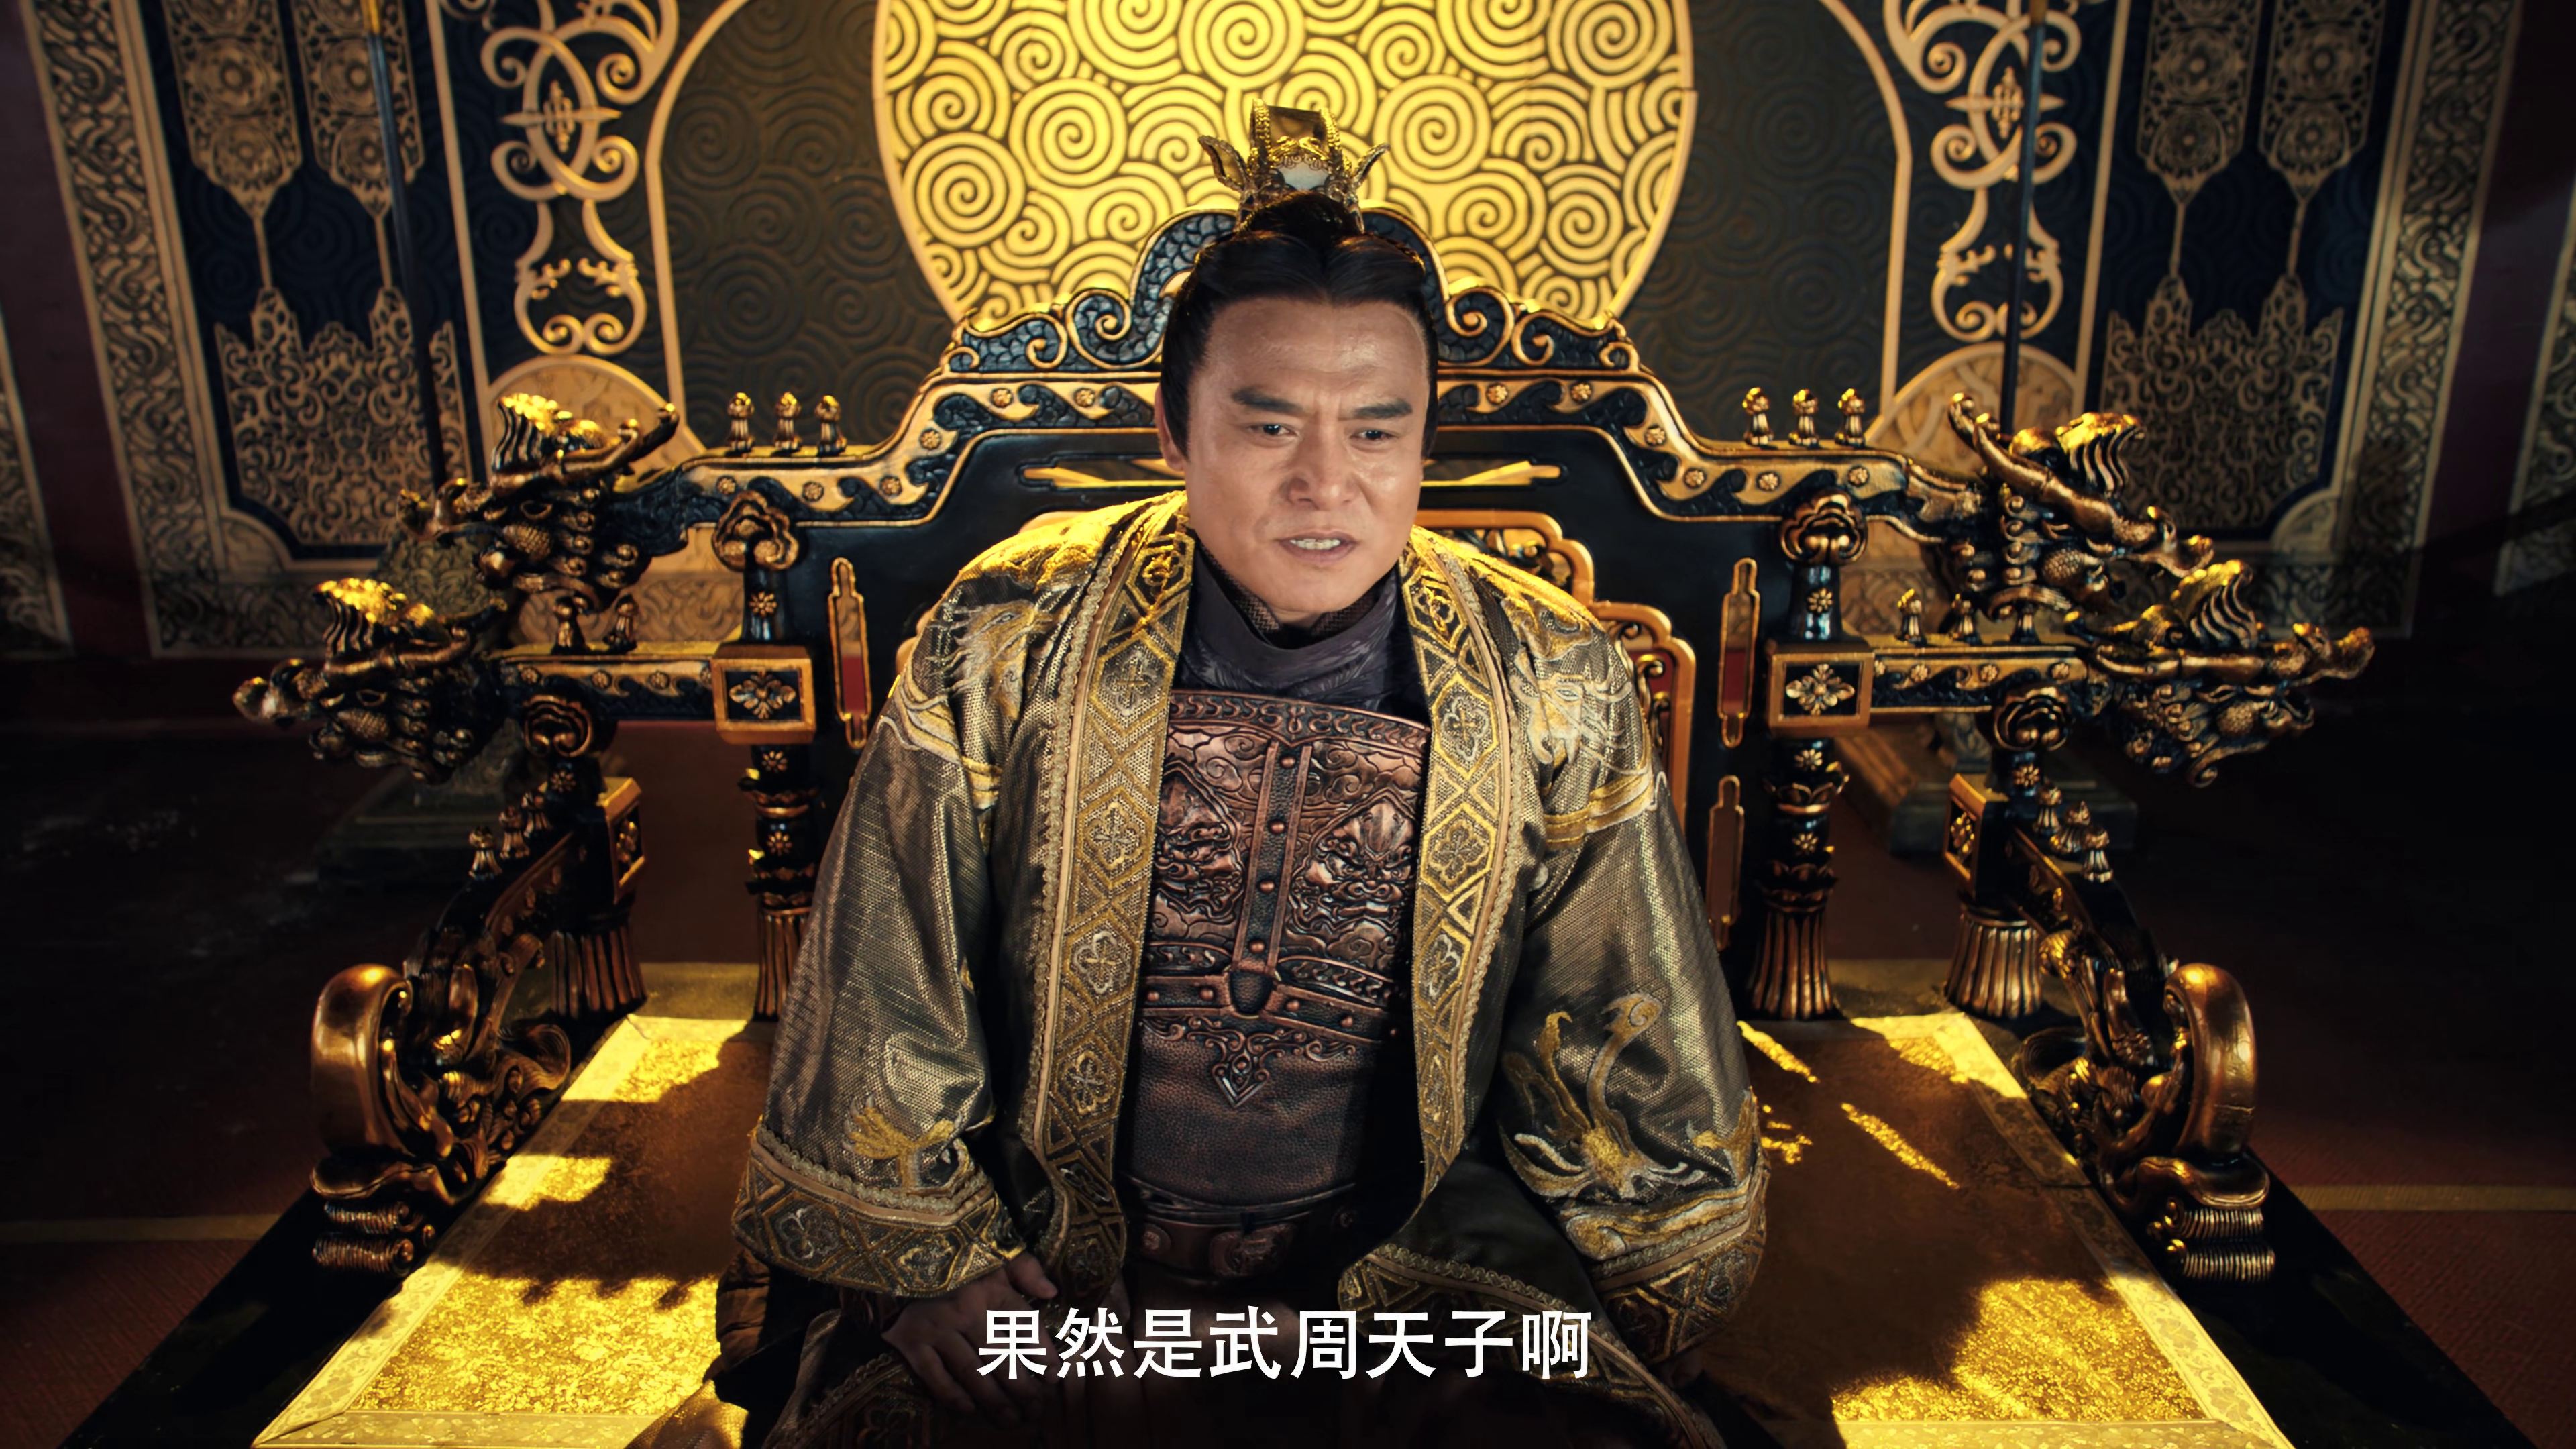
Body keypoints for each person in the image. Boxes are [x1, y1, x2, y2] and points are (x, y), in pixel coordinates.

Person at [645, 106, 1764, 1449]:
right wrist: (929, 1260)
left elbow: (1625, 1012)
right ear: (1174, 431)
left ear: (1424, 444)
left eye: (1378, 433)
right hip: (1073, 1280)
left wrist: (1641, 1287)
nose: (1325, 485)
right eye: (1269, 425)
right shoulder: (1012, 632)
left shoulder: (1550, 670)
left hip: (1404, 1293)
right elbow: (891, 966)